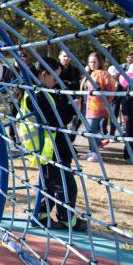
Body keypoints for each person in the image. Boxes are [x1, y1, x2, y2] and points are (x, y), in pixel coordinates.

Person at [22, 57, 85, 231]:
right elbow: (56, 120)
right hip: (50, 150)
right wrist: (73, 107)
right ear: (44, 74)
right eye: (54, 77)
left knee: (49, 184)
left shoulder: (41, 93)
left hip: (54, 148)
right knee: (65, 185)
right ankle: (66, 218)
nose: (56, 81)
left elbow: (55, 114)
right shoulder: (37, 96)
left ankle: (42, 213)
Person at [80, 52, 115, 162]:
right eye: (90, 62)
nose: (92, 64)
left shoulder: (103, 74)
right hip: (87, 105)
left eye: (94, 62)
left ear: (100, 62)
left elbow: (111, 89)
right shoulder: (89, 73)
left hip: (97, 107)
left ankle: (95, 151)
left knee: (91, 129)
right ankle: (93, 149)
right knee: (89, 129)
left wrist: (103, 100)